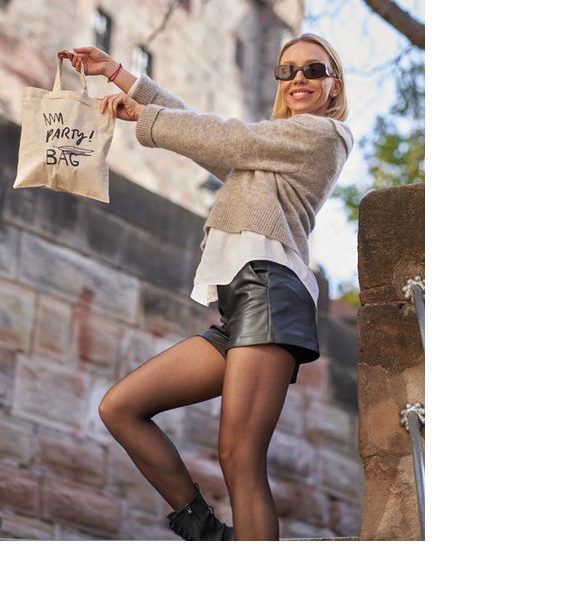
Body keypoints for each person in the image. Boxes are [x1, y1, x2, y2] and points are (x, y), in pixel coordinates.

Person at [59, 34, 353, 541]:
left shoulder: (325, 135)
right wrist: (118, 75)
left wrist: (143, 116)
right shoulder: (267, 153)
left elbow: (227, 138)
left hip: (271, 294)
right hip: (241, 307)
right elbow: (205, 134)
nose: (299, 79)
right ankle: (210, 535)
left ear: (335, 85)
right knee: (121, 407)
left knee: (239, 457)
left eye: (313, 70)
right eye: (287, 71)